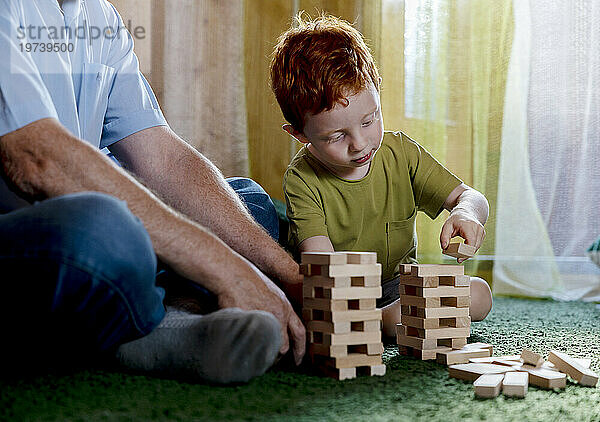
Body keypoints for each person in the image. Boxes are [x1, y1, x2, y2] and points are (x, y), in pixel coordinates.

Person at [0, 0, 305, 383]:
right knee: (101, 227)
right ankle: (156, 331)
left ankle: (176, 313)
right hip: (39, 237)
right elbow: (37, 158)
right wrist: (224, 268)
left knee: (250, 204)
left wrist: (290, 274)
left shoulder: (99, 17)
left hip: (101, 237)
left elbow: (164, 158)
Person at [270, 14, 493, 338]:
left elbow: (470, 197)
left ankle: (393, 319)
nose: (359, 144)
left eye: (369, 119)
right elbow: (321, 265)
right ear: (300, 135)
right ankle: (382, 322)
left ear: (378, 92)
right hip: (343, 294)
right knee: (326, 304)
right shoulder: (302, 179)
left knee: (479, 295)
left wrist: (465, 212)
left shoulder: (401, 152)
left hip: (401, 285)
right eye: (336, 136)